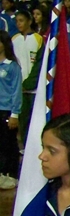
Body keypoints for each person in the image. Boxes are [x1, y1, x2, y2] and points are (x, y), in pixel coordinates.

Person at [0, 31, 23, 189]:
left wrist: (15, 114)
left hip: (6, 110)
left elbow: (16, 91)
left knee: (8, 143)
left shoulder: (12, 66)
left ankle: (11, 174)